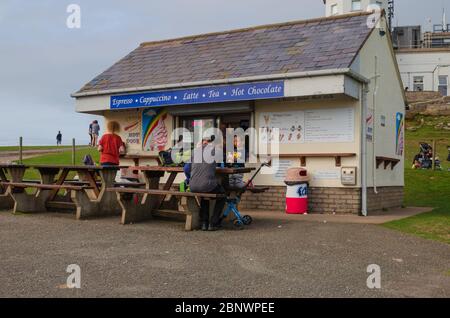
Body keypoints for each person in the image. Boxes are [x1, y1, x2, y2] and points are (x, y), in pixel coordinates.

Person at [187, 137, 226, 231]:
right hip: (207, 185)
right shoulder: (215, 150)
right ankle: (213, 222)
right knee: (223, 194)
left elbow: (187, 168)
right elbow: (223, 161)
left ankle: (204, 223)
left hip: (192, 186)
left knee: (204, 195)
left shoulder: (194, 151)